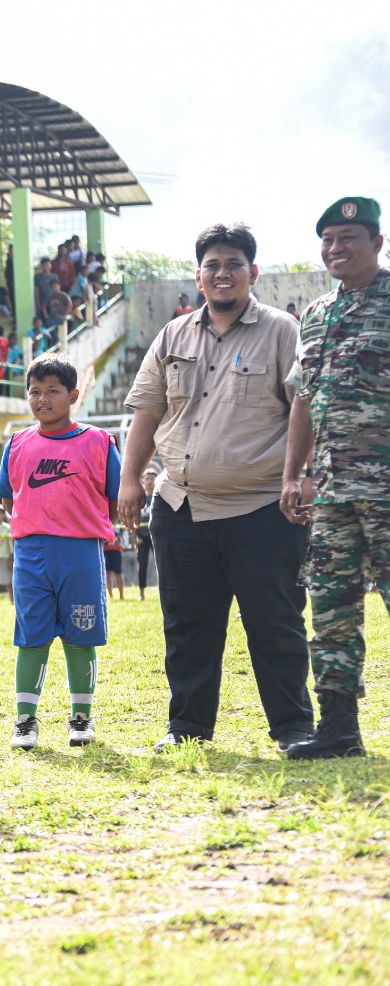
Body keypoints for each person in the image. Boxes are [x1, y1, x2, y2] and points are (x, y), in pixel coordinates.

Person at [119, 222, 313, 753]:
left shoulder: (281, 332)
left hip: (262, 510)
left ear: (253, 272)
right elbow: (147, 412)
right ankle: (186, 729)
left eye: (233, 264)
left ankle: (294, 728)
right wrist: (131, 478)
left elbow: (305, 408)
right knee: (188, 627)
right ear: (199, 277)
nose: (222, 273)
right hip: (180, 505)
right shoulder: (172, 334)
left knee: (275, 622)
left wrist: (301, 475)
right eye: (212, 265)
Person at [279, 197, 390, 759]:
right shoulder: (318, 312)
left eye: (348, 237)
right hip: (331, 491)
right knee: (330, 609)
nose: (335, 248)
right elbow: (304, 397)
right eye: (327, 239)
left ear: (377, 241)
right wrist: (293, 473)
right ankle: (339, 730)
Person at [0, 355, 117, 750]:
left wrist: (86, 527)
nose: (42, 399)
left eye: (52, 391)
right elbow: (11, 497)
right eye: (34, 392)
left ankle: (81, 717)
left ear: (73, 395)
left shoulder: (99, 442)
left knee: (81, 635)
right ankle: (25, 721)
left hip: (81, 553)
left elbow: (114, 496)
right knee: (31, 636)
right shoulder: (17, 443)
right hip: (31, 554)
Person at [132, 466, 158, 600]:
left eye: (152, 479)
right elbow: (135, 518)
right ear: (142, 481)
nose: (149, 481)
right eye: (147, 479)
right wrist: (134, 537)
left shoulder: (158, 497)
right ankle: (141, 593)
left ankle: (163, 590)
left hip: (156, 535)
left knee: (160, 563)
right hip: (142, 536)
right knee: (142, 564)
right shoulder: (139, 498)